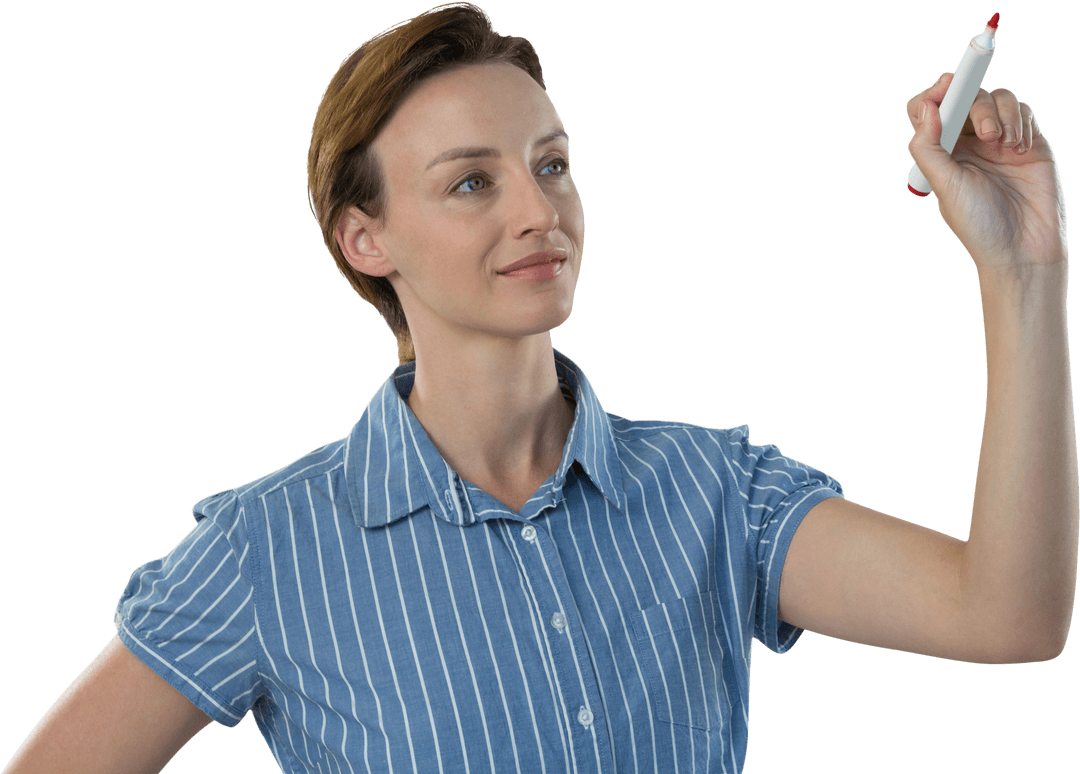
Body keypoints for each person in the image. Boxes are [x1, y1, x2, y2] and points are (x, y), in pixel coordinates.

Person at [4, 3, 1075, 773]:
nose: (539, 211)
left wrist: (1025, 272)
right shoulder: (265, 550)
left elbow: (1011, 615)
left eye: (552, 165)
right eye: (472, 181)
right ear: (364, 236)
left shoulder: (714, 495)